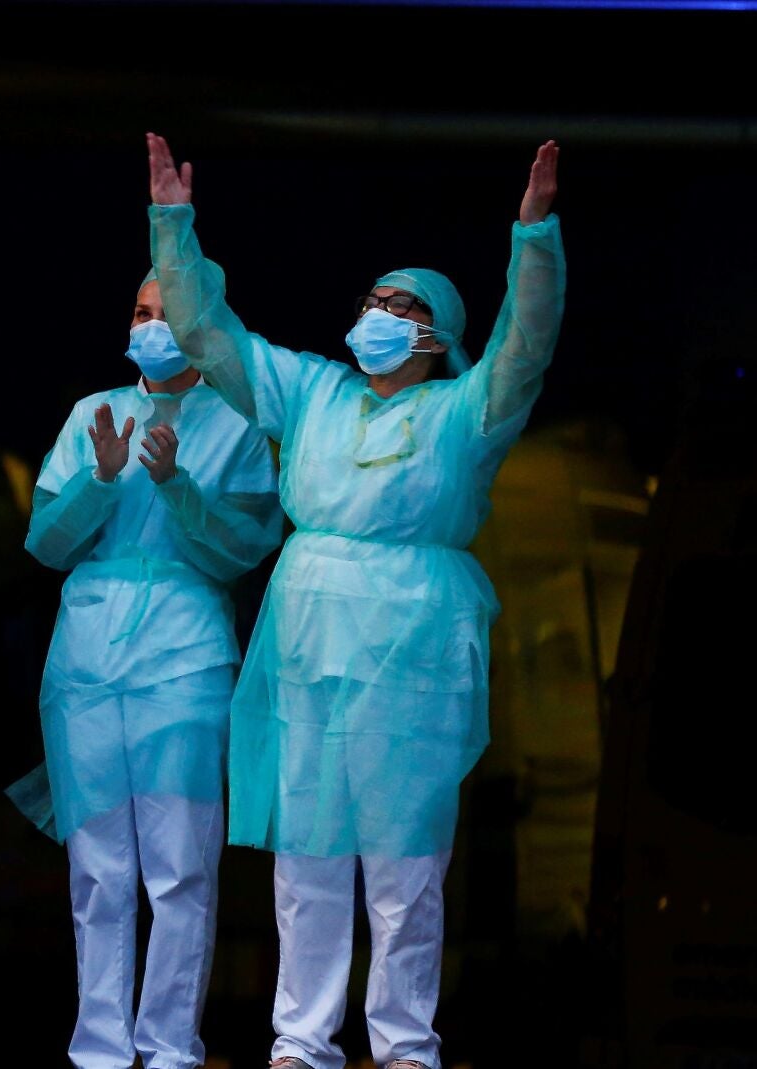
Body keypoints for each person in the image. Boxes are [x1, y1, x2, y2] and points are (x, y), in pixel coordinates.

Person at [144, 133, 564, 1069]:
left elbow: (524, 345)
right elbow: (212, 337)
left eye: (401, 307)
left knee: (406, 858)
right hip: (310, 637)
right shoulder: (313, 391)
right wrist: (173, 226)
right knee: (310, 850)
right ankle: (302, 1037)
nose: (378, 315)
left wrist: (534, 238)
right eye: (373, 300)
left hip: (414, 643)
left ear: (437, 334)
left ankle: (405, 1041)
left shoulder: (465, 413)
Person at [15, 269, 282, 1069]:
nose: (150, 326)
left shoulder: (238, 425)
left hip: (185, 660)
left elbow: (242, 549)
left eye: (167, 313)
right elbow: (46, 543)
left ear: (206, 324)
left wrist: (177, 486)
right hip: (87, 665)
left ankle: (168, 1048)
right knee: (97, 872)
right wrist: (101, 479)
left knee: (180, 870)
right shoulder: (90, 415)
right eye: (140, 311)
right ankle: (99, 1049)